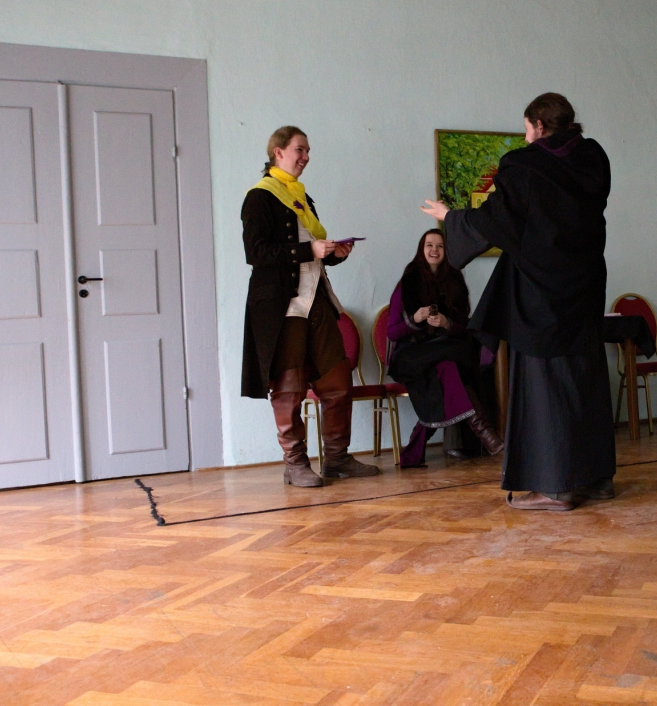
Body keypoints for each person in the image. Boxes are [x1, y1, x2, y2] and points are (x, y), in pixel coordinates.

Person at [421, 93, 614, 511]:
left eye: (527, 128)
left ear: (539, 125)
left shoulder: (524, 166)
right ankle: (597, 478)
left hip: (542, 297)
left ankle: (556, 487)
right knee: (586, 381)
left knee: (548, 388)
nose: (526, 137)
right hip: (584, 289)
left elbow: (495, 220)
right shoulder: (593, 158)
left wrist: (450, 217)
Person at [241, 126, 381, 486]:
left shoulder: (301, 197)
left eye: (307, 151)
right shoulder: (259, 197)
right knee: (289, 387)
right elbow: (256, 253)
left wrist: (334, 254)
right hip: (282, 307)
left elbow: (313, 254)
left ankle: (337, 458)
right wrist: (309, 250)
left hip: (317, 299)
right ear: (278, 152)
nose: (306, 157)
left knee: (337, 381)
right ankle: (295, 463)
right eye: (299, 150)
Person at [386, 230, 503, 467]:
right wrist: (415, 319)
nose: (434, 250)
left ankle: (414, 451)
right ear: (421, 249)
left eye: (440, 246)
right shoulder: (407, 282)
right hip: (412, 354)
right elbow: (392, 333)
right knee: (452, 365)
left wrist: (446, 323)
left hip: (445, 349)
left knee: (448, 368)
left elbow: (465, 327)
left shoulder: (455, 281)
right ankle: (486, 433)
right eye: (429, 245)